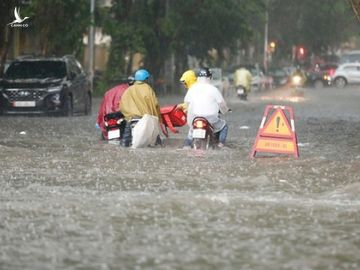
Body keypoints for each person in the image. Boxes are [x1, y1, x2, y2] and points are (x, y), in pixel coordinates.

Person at [183, 67, 229, 148]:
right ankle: (221, 145)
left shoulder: (192, 88)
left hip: (194, 117)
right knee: (224, 126)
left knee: (191, 131)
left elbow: (186, 102)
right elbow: (221, 103)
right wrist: (225, 111)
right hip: (210, 118)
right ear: (209, 77)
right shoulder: (214, 89)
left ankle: (187, 145)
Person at [119, 69, 161, 147]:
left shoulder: (128, 90)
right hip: (146, 119)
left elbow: (122, 105)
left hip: (132, 119)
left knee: (125, 142)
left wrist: (128, 116)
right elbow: (155, 104)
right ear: (145, 79)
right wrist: (158, 118)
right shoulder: (148, 89)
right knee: (156, 141)